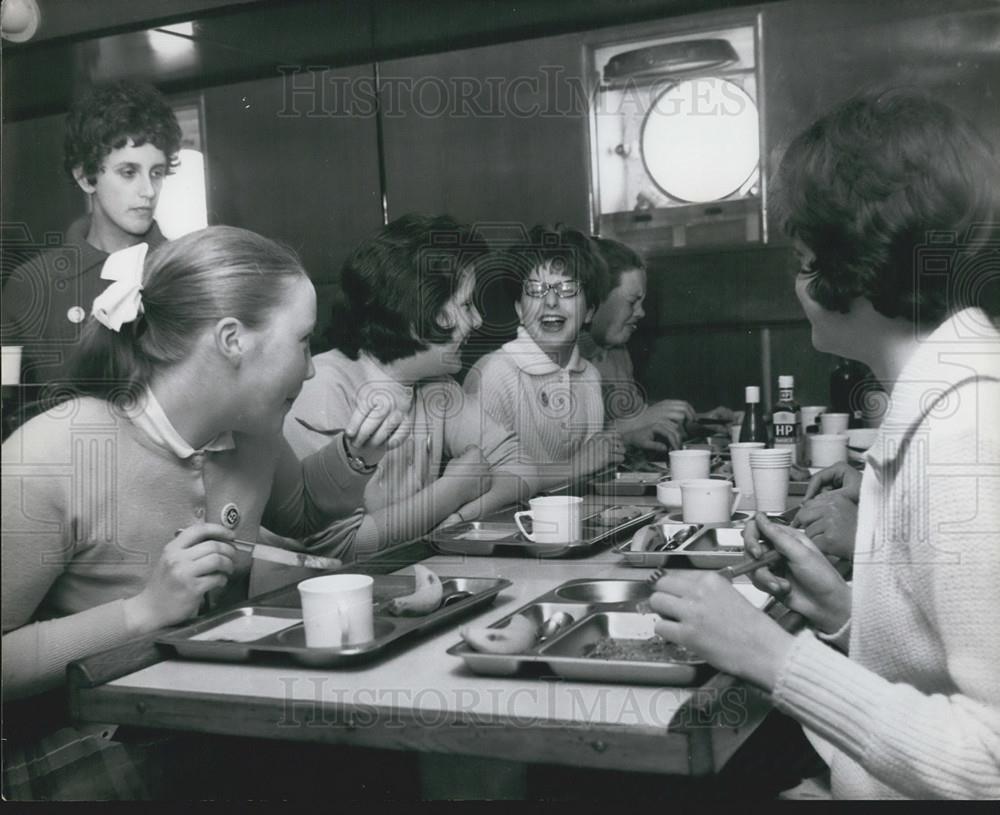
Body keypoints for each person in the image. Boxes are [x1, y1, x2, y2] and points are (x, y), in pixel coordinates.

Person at [648, 89, 1000, 799]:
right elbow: (935, 670)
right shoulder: (950, 393)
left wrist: (771, 655)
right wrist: (840, 611)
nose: (800, 282)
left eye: (805, 258)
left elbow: (991, 760)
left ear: (855, 267)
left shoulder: (966, 430)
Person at [1, 226, 406, 798]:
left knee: (373, 752)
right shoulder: (54, 454)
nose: (311, 368)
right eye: (302, 341)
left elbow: (304, 512)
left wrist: (357, 455)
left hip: (204, 718)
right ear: (232, 339)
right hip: (83, 743)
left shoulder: (251, 433)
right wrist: (142, 612)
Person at [284, 214, 538, 558]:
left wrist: (459, 517)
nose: (477, 320)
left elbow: (522, 467)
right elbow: (341, 546)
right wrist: (453, 490)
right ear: (416, 315)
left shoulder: (436, 387)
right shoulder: (324, 388)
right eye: (466, 305)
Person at [1, 80, 181, 387]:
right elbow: (5, 397)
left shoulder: (187, 270)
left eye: (157, 173)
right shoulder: (32, 284)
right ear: (86, 177)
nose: (148, 191)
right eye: (128, 172)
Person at [464, 224, 624, 487]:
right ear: (519, 309)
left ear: (590, 311)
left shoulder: (589, 376)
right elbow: (481, 482)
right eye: (536, 290)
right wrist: (576, 466)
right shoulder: (494, 374)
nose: (550, 302)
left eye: (567, 289)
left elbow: (587, 475)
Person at [579, 237, 736, 456]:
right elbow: (564, 448)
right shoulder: (558, 356)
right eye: (632, 302)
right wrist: (637, 421)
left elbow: (642, 427)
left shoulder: (617, 352)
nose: (641, 312)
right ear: (595, 299)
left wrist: (696, 423)